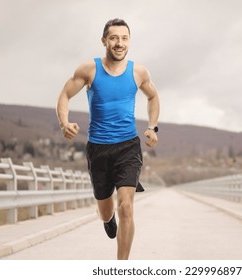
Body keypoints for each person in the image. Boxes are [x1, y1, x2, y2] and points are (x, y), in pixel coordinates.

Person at [56, 18, 160, 260]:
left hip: (128, 146)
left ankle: (121, 267)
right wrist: (64, 123)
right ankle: (107, 218)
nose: (119, 43)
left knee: (126, 206)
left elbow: (153, 97)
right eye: (114, 38)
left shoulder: (139, 72)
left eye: (124, 38)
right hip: (98, 148)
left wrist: (153, 127)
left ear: (129, 41)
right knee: (106, 209)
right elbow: (64, 95)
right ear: (104, 41)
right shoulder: (89, 70)